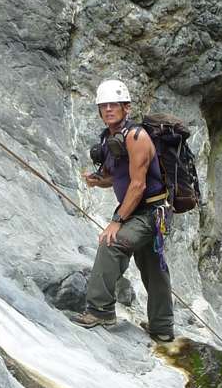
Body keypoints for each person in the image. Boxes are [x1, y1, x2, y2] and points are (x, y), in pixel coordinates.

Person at [71, 78, 176, 343]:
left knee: (112, 243)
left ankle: (100, 311)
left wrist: (117, 221)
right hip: (140, 210)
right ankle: (162, 327)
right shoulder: (110, 138)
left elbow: (139, 185)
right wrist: (98, 181)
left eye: (114, 105)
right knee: (152, 265)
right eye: (103, 105)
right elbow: (116, 177)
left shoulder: (136, 137)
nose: (108, 109)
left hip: (150, 212)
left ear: (126, 107)